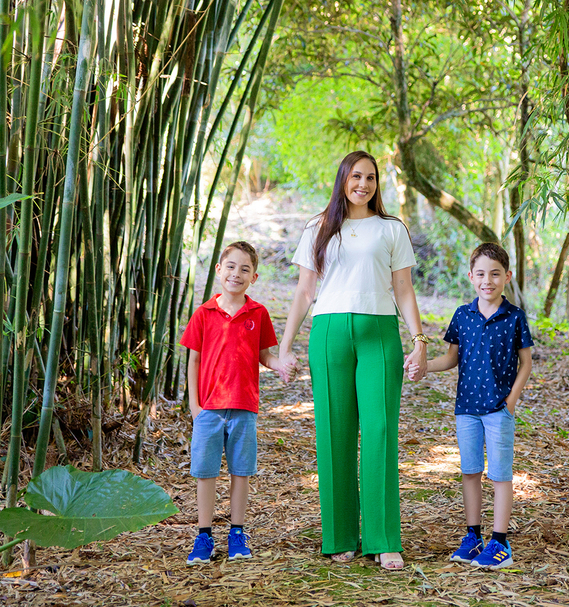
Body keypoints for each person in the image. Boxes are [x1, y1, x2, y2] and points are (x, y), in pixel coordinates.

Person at [276, 150, 429, 571]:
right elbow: (305, 291)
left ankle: (382, 537)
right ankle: (339, 534)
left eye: (371, 178)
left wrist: (419, 340)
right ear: (343, 178)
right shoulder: (318, 227)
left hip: (379, 333)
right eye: (357, 176)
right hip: (328, 335)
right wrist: (286, 346)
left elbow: (403, 289)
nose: (364, 184)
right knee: (334, 432)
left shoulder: (391, 229)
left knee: (380, 430)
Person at [408, 242, 533, 569]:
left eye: (494, 274)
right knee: (470, 472)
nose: (487, 280)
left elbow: (526, 362)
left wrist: (511, 401)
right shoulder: (462, 315)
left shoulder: (514, 316)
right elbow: (452, 357)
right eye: (480, 274)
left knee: (500, 474)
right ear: (470, 276)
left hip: (498, 410)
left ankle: (500, 541)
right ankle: (472, 536)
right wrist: (424, 367)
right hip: (466, 409)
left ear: (507, 276)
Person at [181, 241, 282, 564]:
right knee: (206, 472)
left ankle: (237, 532)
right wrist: (195, 407)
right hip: (209, 409)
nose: (236, 274)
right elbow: (193, 361)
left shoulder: (258, 313)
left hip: (244, 407)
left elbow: (264, 354)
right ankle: (204, 535)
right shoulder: (204, 313)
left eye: (245, 269)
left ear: (253, 277)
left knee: (241, 472)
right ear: (218, 270)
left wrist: (280, 365)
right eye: (231, 266)